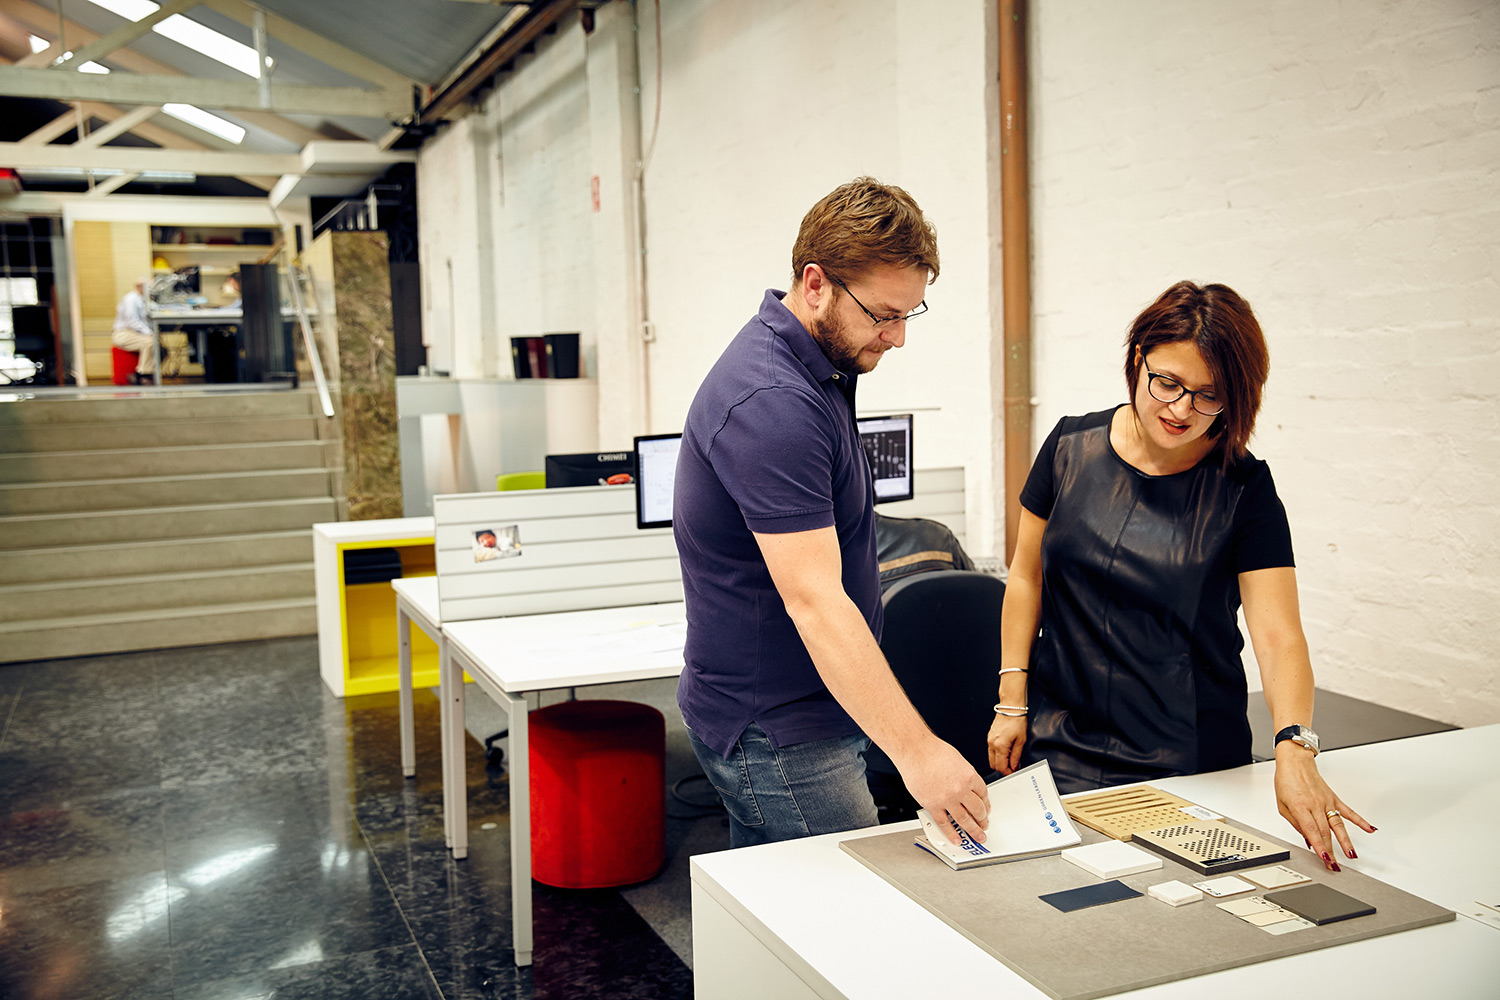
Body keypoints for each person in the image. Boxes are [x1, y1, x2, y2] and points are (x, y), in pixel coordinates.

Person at [987, 280, 1374, 872]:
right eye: (1166, 382)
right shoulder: (1069, 446)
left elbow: (1278, 636)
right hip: (1060, 746)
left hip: (1191, 763)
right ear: (1137, 359)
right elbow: (1026, 576)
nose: (1180, 410)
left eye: (1208, 395)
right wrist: (1011, 697)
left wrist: (1295, 746)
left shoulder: (1245, 488)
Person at [674, 177, 990, 849]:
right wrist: (920, 753)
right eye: (883, 314)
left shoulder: (812, 360)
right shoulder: (774, 403)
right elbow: (815, 601)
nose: (898, 336)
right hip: (785, 736)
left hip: (783, 715)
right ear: (815, 283)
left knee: (775, 928)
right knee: (852, 930)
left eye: (910, 314)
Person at [110, 276, 155, 385]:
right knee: (150, 343)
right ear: (140, 287)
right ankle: (141, 375)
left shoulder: (142, 299)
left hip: (135, 333)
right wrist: (149, 333)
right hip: (123, 333)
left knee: (161, 349)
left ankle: (139, 374)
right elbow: (132, 321)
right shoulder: (131, 299)